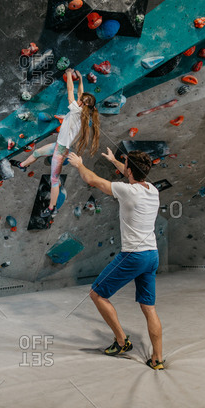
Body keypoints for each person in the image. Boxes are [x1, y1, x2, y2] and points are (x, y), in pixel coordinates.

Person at [67, 147, 164, 370]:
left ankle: (122, 341)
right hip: (152, 255)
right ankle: (157, 359)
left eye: (125, 166)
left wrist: (79, 164)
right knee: (149, 308)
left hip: (133, 256)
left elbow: (92, 179)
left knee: (97, 294)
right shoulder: (153, 190)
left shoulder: (126, 190)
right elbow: (134, 173)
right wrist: (114, 161)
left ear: (129, 170)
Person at [12, 68, 100, 218]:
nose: (78, 100)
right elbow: (81, 94)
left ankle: (52, 208)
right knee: (37, 152)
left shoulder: (75, 111)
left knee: (54, 180)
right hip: (60, 146)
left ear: (82, 105)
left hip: (61, 150)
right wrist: (80, 79)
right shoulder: (84, 112)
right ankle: (22, 166)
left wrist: (68, 74)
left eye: (80, 101)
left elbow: (71, 91)